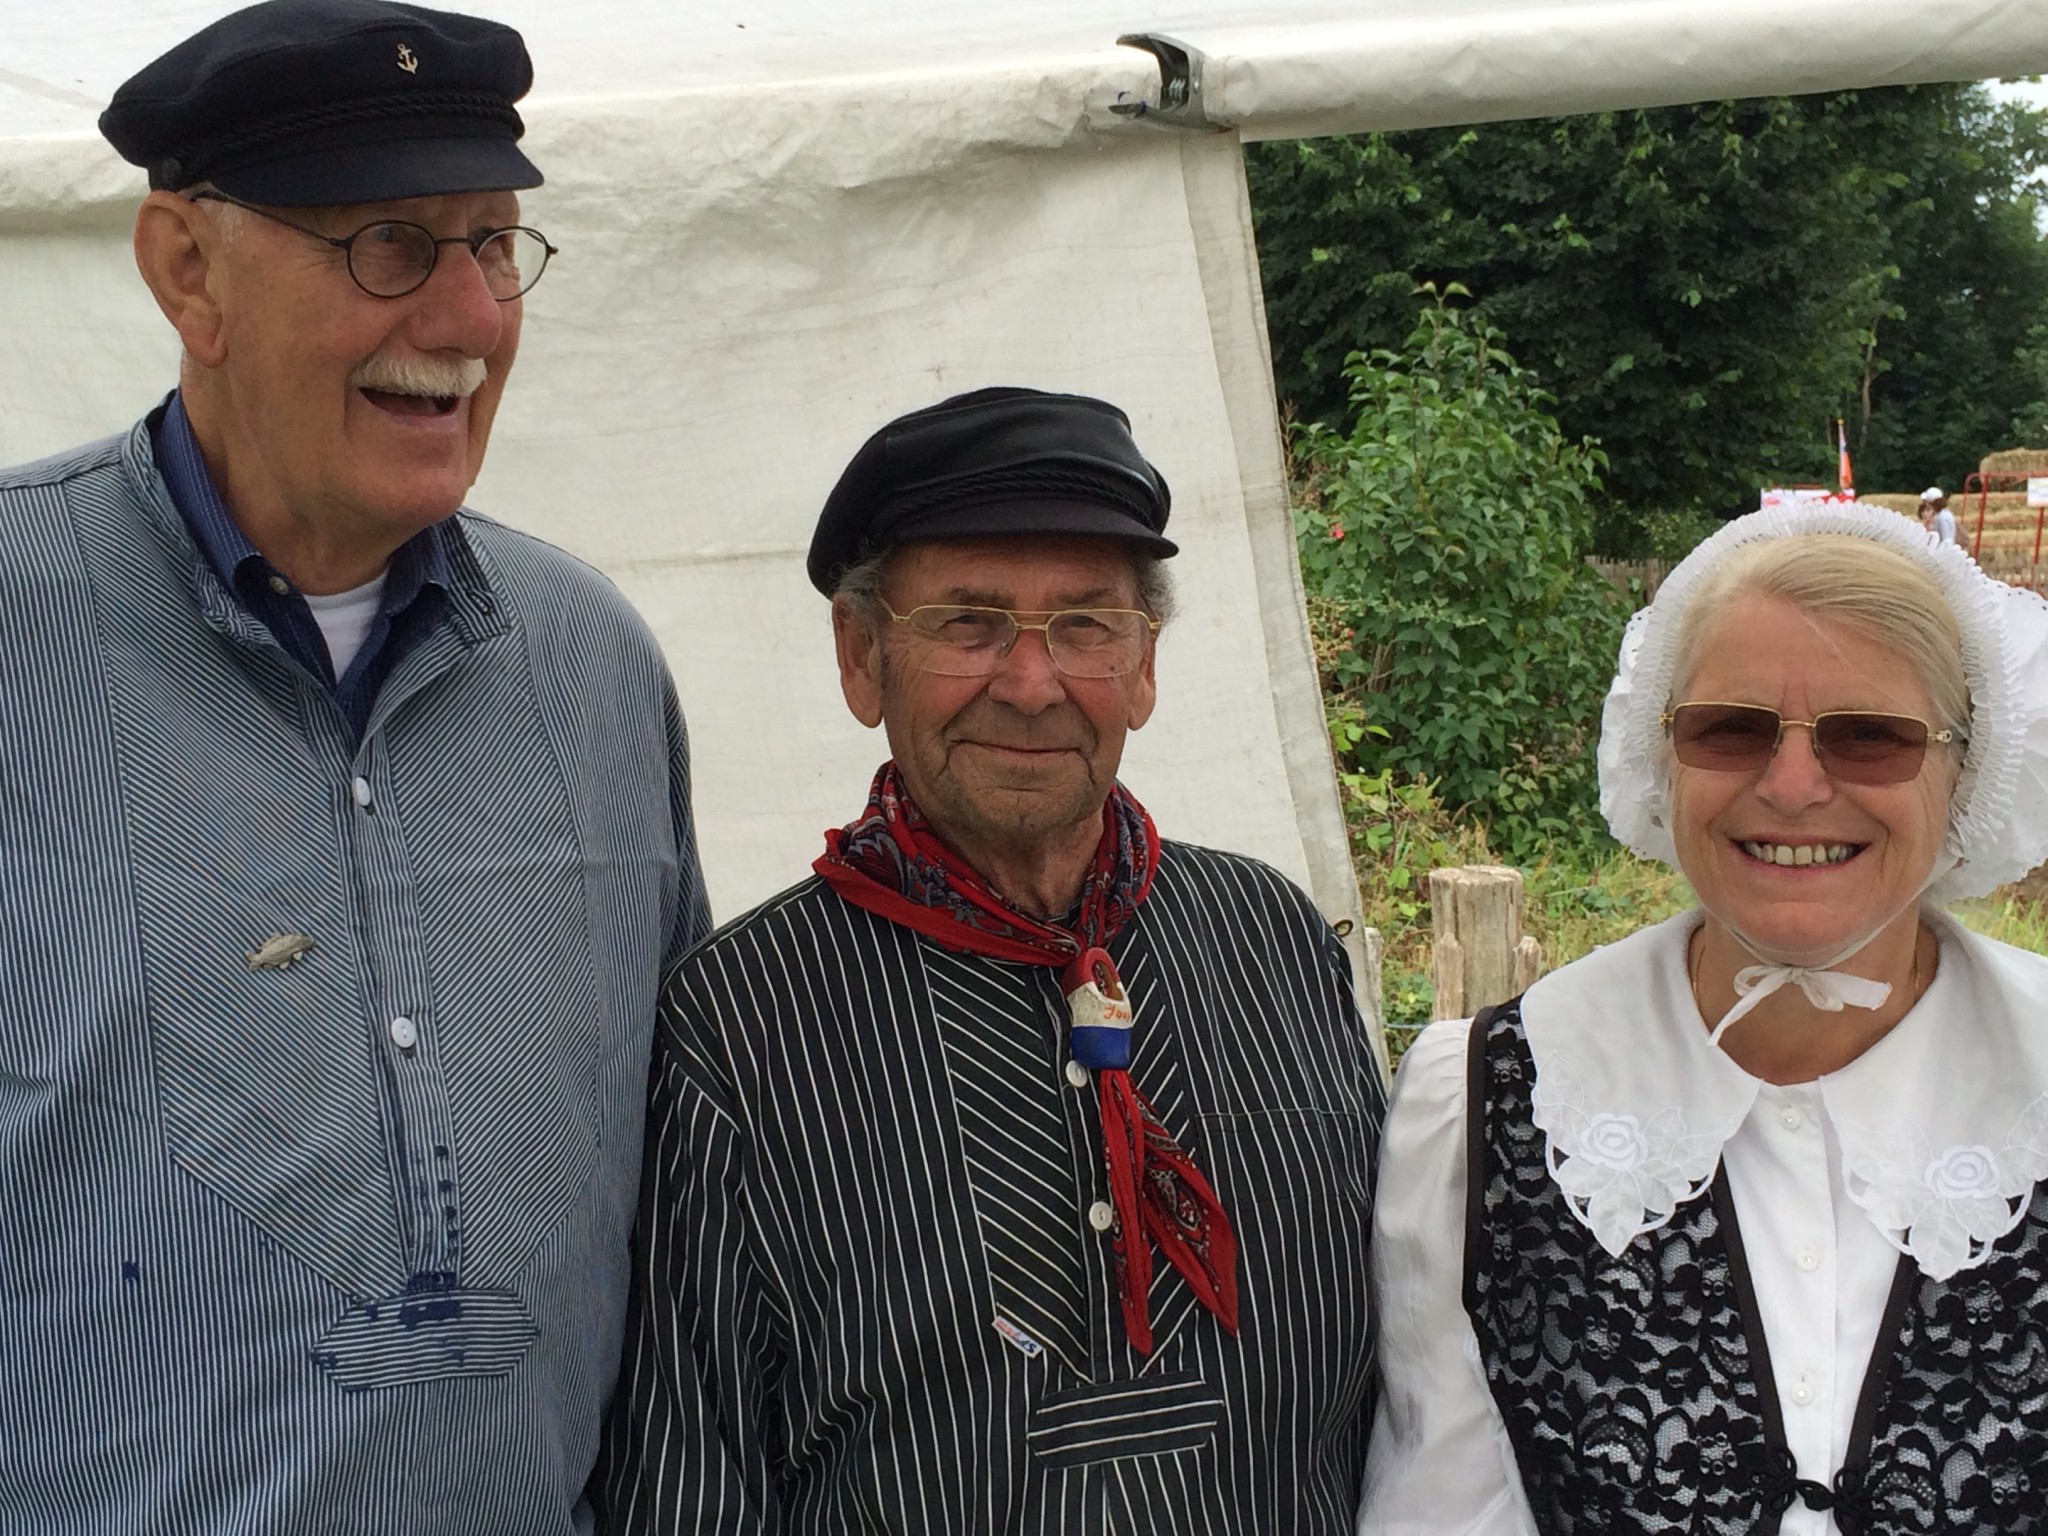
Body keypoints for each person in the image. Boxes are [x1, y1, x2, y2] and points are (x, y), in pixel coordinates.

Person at [0, 2, 709, 1530]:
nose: (469, 315)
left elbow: (680, 1211)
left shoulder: (591, 664)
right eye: (389, 243)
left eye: (495, 242)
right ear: (188, 270)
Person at [593, 386, 1387, 1533]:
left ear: (1144, 664)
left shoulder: (1270, 941)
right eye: (968, 623)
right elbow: (690, 1483)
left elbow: (1404, 1400)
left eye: (1085, 625)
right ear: (862, 658)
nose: (1029, 684)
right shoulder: (737, 1023)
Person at [1360, 504, 2048, 1534]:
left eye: (1870, 737)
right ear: (1663, 755)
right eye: (1730, 728)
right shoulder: (1484, 1108)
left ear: (1967, 771)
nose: (1792, 786)